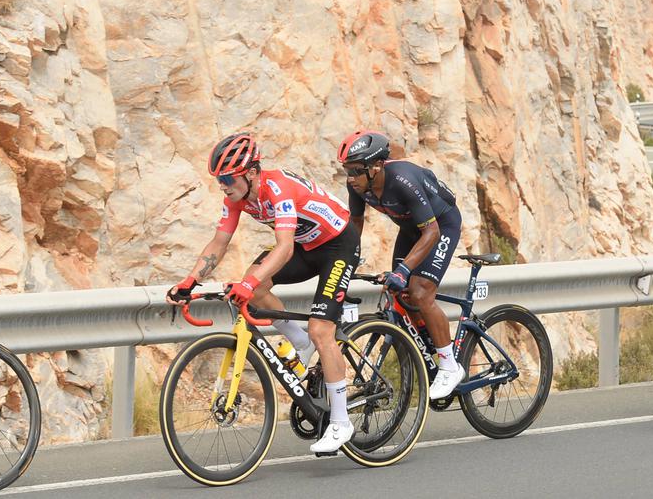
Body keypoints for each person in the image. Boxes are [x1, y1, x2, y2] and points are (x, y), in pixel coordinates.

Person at [166, 133, 360, 454]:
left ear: (252, 173)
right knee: (253, 287)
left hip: (338, 245)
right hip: (307, 245)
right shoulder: (236, 198)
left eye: (228, 178)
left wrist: (248, 282)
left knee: (321, 329)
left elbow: (283, 249)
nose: (223, 185)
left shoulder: (277, 189)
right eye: (219, 180)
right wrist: (190, 281)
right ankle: (299, 340)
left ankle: (341, 422)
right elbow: (219, 242)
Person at [337, 130, 465, 399]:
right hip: (411, 229)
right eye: (347, 170)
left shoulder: (403, 181)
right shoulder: (357, 185)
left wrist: (404, 270)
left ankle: (449, 365)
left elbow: (431, 233)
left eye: (356, 170)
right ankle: (429, 341)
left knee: (419, 291)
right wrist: (344, 260)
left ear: (377, 166)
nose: (351, 178)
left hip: (441, 225)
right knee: (398, 291)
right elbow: (356, 224)